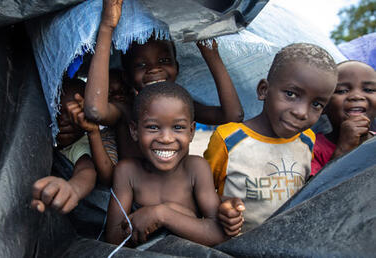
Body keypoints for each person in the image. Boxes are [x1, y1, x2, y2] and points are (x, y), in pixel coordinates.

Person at [83, 0, 243, 162]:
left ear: (177, 67)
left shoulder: (183, 105)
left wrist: (210, 52)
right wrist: (107, 26)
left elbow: (233, 116)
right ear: (127, 77)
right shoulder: (127, 108)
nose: (154, 69)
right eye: (141, 65)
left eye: (165, 60)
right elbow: (95, 111)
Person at [204, 43, 338, 235]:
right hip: (237, 245)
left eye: (316, 104)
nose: (301, 113)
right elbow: (202, 193)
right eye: (291, 94)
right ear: (264, 90)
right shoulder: (229, 139)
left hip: (287, 242)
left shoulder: (307, 140)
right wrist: (223, 207)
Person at [105, 82, 226, 247]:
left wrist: (162, 214)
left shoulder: (196, 168)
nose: (166, 138)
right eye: (153, 127)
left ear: (191, 132)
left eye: (178, 127)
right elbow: (112, 238)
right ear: (134, 130)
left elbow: (218, 233)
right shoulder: (127, 172)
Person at [31, 76, 101, 213]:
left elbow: (86, 171)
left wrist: (73, 188)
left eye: (73, 115)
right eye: (58, 111)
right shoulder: (38, 135)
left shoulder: (80, 145)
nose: (63, 120)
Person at [311, 60, 376, 176]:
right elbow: (317, 192)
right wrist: (343, 149)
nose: (356, 96)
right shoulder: (310, 148)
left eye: (369, 90)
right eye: (342, 91)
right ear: (323, 104)